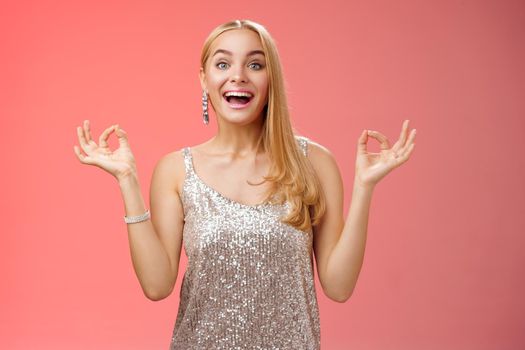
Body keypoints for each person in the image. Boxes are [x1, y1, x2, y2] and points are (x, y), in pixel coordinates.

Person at [73, 19, 416, 350]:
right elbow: (156, 284)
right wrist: (127, 181)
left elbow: (339, 287)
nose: (237, 75)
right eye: (222, 64)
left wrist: (365, 187)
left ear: (272, 80)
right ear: (204, 80)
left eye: (255, 64)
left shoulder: (315, 163)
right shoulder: (176, 170)